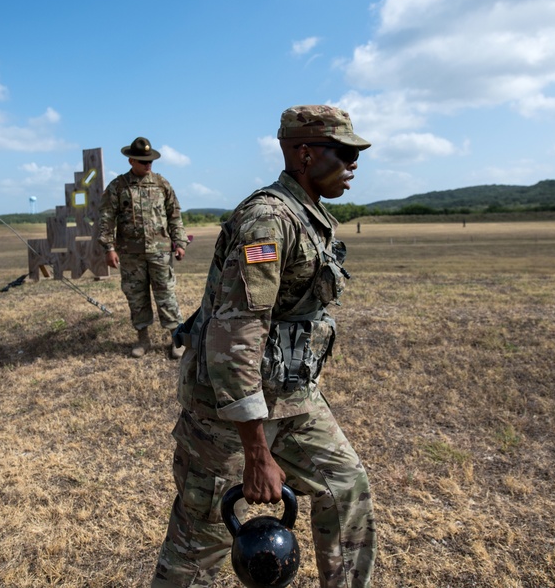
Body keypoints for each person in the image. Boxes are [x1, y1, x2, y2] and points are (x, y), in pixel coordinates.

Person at [152, 105, 377, 587]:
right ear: (303, 153)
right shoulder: (267, 220)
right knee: (203, 534)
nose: (354, 164)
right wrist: (256, 452)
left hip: (291, 397)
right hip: (230, 412)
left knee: (346, 486)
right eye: (344, 152)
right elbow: (235, 333)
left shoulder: (308, 214)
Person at [98, 136, 188, 359]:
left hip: (160, 251)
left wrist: (180, 242)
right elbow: (106, 219)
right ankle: (143, 339)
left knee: (166, 295)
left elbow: (174, 215)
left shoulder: (161, 184)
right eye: (143, 161)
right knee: (136, 297)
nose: (148, 165)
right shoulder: (118, 187)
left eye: (150, 161)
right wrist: (109, 247)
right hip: (130, 254)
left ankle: (177, 339)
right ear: (131, 161)